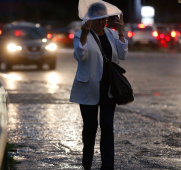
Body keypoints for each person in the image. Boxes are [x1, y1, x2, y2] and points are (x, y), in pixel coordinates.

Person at [69, 2, 128, 170]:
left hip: (110, 89)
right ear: (90, 19)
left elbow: (123, 55)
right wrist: (85, 35)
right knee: (90, 128)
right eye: (98, 19)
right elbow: (80, 56)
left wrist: (122, 32)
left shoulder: (113, 34)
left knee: (107, 127)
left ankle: (108, 166)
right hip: (88, 88)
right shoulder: (80, 34)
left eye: (105, 18)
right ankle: (87, 162)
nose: (103, 22)